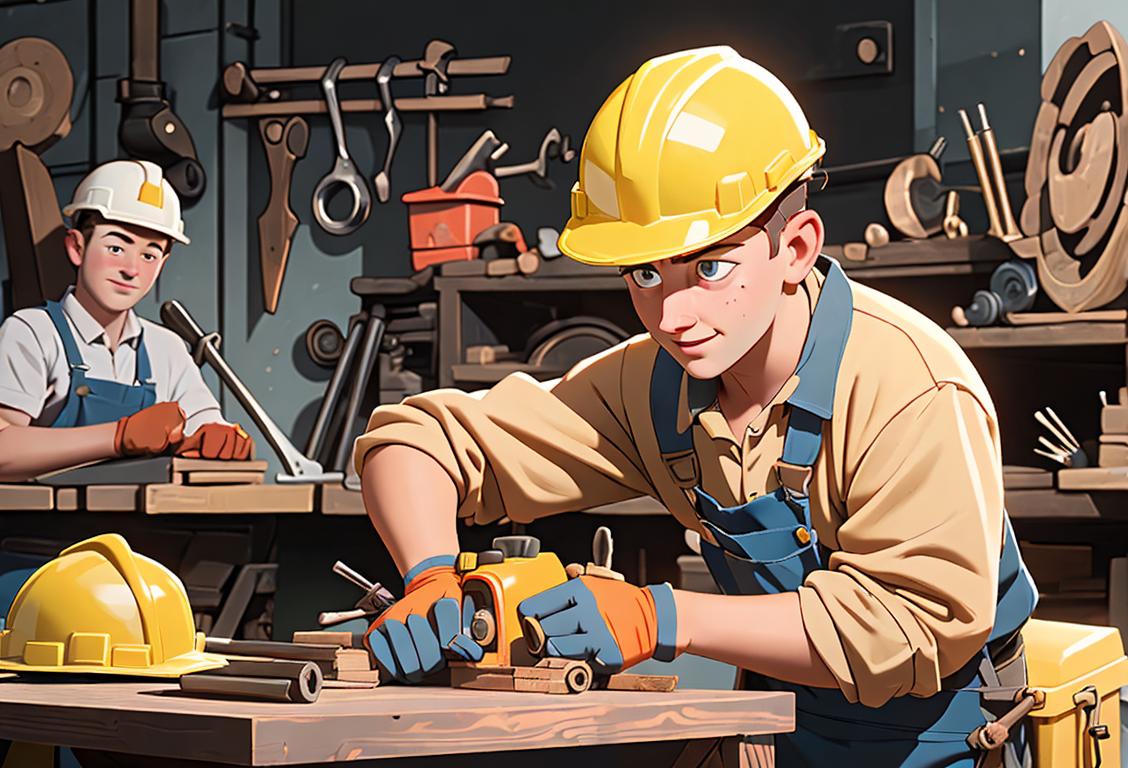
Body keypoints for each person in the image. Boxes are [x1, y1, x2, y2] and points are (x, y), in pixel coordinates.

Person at [353, 47, 1037, 766]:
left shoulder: (909, 387)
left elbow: (908, 628)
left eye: (710, 266)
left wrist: (661, 616)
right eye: (645, 272)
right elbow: (417, 439)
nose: (672, 313)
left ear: (796, 247)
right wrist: (429, 574)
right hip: (778, 721)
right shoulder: (652, 386)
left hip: (939, 734)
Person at [0, 159, 252, 482]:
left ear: (162, 264)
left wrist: (218, 440)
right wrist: (119, 436)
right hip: (46, 529)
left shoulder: (167, 349)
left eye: (149, 255)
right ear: (77, 247)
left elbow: (202, 425)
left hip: (142, 523)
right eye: (117, 247)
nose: (131, 269)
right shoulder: (32, 334)